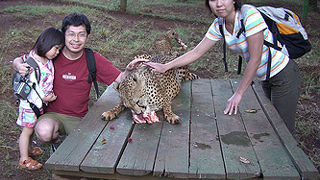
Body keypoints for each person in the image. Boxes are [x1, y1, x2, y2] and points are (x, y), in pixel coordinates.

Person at [145, 0, 301, 133]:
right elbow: (197, 52)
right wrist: (166, 66)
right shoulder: (220, 24)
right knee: (272, 123)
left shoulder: (249, 15)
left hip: (284, 75)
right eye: (213, 0)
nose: (219, 4)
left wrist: (239, 93)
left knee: (283, 129)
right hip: (264, 77)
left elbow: (255, 59)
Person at [13, 13, 144, 145]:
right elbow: (22, 59)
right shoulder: (52, 55)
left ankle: (68, 143)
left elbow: (121, 78)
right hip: (52, 114)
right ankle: (56, 141)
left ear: (87, 37)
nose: (76, 39)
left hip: (79, 117)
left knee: (92, 145)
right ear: (63, 35)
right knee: (44, 131)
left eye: (81, 34)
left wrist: (128, 70)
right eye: (71, 34)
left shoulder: (92, 59)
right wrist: (18, 65)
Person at [16, 27, 64, 170]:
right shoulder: (32, 62)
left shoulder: (46, 60)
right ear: (46, 43)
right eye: (55, 48)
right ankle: (24, 158)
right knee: (27, 131)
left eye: (59, 49)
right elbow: (32, 84)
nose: (57, 52)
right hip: (30, 105)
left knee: (31, 128)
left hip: (38, 105)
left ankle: (30, 148)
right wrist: (44, 97)